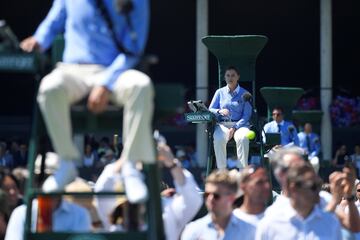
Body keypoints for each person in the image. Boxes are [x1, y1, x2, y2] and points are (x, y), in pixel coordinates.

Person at [20, 0, 154, 203]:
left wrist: (106, 84)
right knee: (49, 87)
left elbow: (134, 49)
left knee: (141, 86)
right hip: (73, 70)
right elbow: (53, 22)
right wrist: (38, 40)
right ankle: (67, 162)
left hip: (116, 70)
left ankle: (130, 166)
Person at [94, 142, 203, 240]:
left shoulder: (166, 211)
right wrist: (129, 155)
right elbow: (102, 190)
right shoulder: (116, 215)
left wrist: (171, 163)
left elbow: (192, 199)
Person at [255, 163, 342, 240]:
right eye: (313, 187)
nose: (318, 192)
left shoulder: (331, 222)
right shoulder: (270, 224)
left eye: (319, 185)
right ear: (293, 189)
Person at [181, 169, 251, 240]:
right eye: (207, 195)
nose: (210, 199)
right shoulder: (193, 230)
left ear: (231, 198)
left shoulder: (249, 231)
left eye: (216, 195)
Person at [208, 66, 253, 169]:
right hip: (223, 124)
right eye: (228, 75)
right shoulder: (219, 92)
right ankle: (222, 173)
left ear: (238, 77)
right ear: (224, 77)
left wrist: (235, 127)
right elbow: (210, 109)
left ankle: (243, 173)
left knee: (243, 138)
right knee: (219, 138)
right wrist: (219, 111)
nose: (230, 78)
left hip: (240, 125)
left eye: (233, 75)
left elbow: (246, 115)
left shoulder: (245, 93)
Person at [233, 165, 271, 239]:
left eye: (267, 181)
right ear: (243, 186)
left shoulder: (277, 218)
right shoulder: (230, 222)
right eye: (259, 182)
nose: (267, 186)